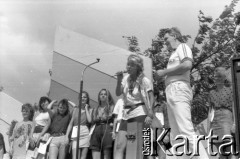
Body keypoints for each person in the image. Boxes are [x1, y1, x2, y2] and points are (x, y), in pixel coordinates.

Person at [154, 27, 206, 158]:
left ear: (174, 36)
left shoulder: (182, 47)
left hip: (179, 89)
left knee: (185, 130)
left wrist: (164, 72)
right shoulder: (173, 54)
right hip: (172, 91)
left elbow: (187, 65)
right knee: (176, 135)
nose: (165, 42)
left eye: (166, 38)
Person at [116, 54, 154, 159]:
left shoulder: (144, 80)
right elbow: (118, 93)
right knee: (119, 145)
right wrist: (119, 80)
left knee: (133, 146)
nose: (128, 67)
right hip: (126, 115)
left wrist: (150, 113)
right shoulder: (125, 78)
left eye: (132, 65)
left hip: (138, 113)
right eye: (128, 64)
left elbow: (151, 97)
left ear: (137, 67)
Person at [208, 67, 236, 159]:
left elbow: (234, 107)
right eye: (216, 77)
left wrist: (235, 123)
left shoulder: (230, 90)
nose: (217, 79)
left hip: (227, 118)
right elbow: (210, 111)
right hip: (215, 121)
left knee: (229, 149)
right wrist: (209, 128)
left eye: (219, 76)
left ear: (224, 78)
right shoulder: (211, 92)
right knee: (220, 151)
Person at [65, 91, 92, 159]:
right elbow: (71, 124)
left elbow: (89, 120)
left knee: (83, 157)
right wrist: (66, 136)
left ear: (87, 99)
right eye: (81, 97)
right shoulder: (75, 109)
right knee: (75, 157)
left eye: (85, 97)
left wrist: (86, 109)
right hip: (76, 133)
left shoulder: (90, 109)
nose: (83, 98)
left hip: (85, 133)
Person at [90, 89, 115, 159]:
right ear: (99, 96)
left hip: (106, 128)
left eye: (105, 94)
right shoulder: (96, 108)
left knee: (106, 151)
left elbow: (111, 117)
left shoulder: (111, 106)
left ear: (108, 96)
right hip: (97, 128)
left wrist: (104, 118)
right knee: (95, 148)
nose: (103, 96)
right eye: (101, 94)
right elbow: (93, 119)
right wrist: (98, 118)